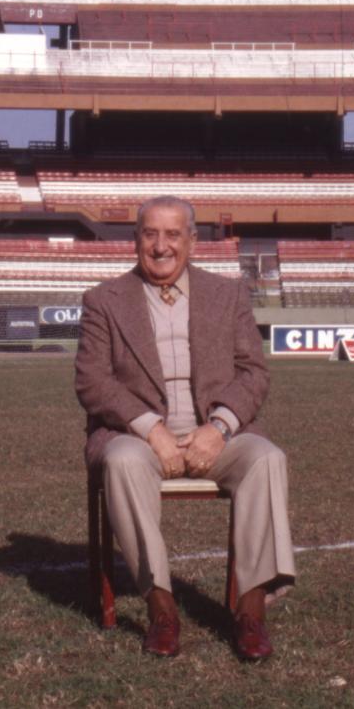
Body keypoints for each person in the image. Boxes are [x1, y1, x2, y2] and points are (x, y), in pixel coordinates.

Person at [75, 195, 295, 661]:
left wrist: (219, 427)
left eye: (173, 234)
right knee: (121, 463)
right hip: (134, 436)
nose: (161, 246)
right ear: (136, 240)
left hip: (214, 433)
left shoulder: (228, 294)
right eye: (150, 234)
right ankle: (162, 609)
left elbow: (254, 372)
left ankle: (250, 611)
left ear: (192, 241)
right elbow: (92, 382)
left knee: (268, 459)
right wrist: (151, 429)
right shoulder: (103, 300)